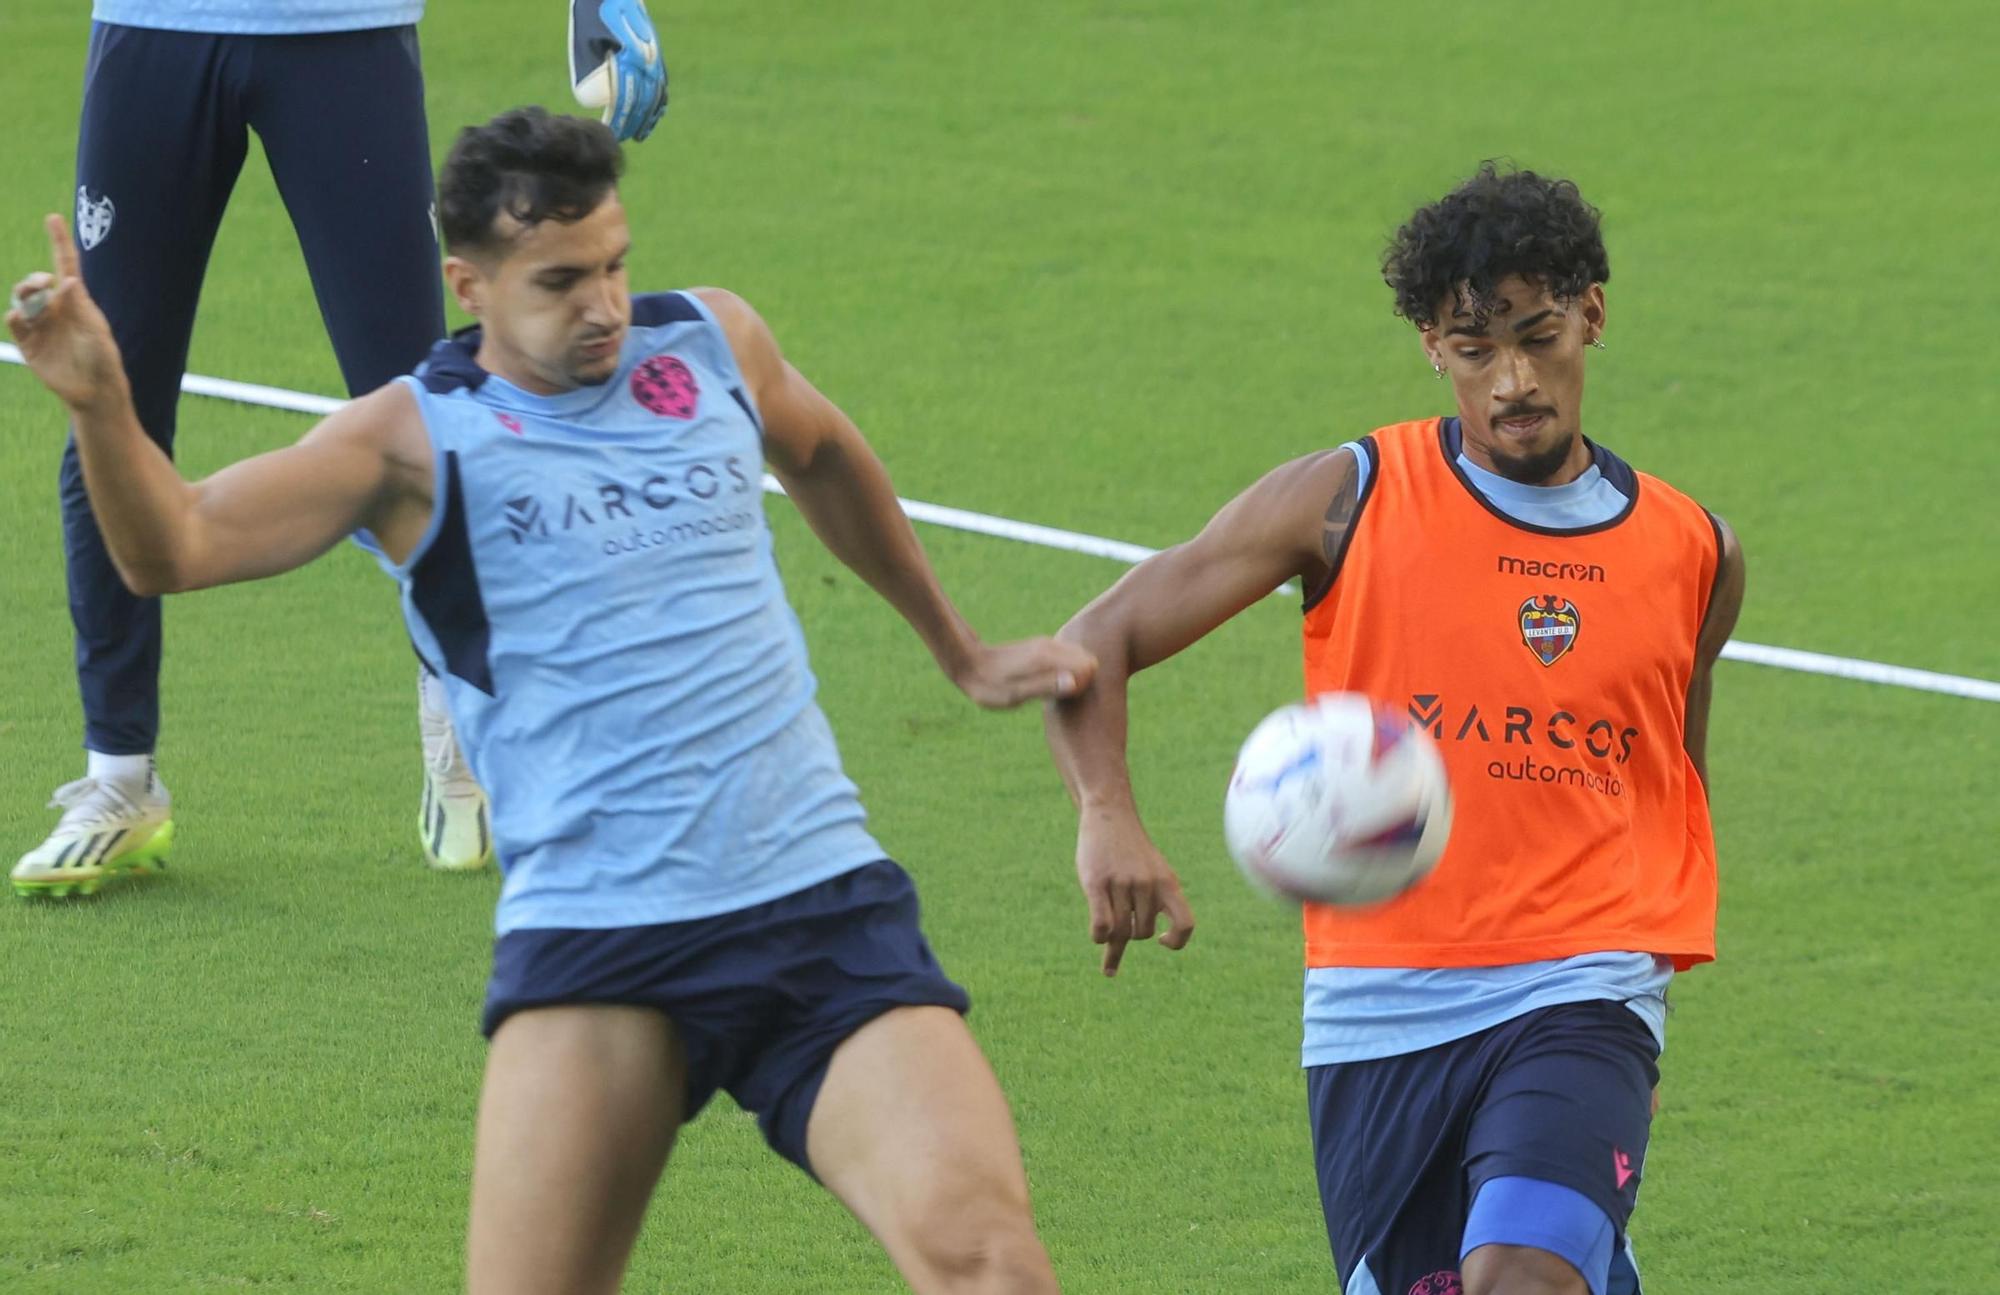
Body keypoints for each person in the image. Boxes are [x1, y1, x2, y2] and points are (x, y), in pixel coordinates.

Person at [8, 108, 1087, 1294]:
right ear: (469, 284)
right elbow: (177, 545)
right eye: (562, 280)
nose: (606, 305)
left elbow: (822, 453)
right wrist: (103, 405)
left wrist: (960, 648)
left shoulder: (714, 343)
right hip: (597, 940)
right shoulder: (409, 442)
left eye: (616, 264)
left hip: (813, 903)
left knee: (991, 1264)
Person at [1043, 164, 1746, 1295]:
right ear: (1430, 343)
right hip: (1378, 1011)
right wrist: (1105, 814)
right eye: (1474, 348)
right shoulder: (1347, 497)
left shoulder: (1691, 550)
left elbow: (1668, 781)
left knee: (1516, 1271)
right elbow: (1092, 642)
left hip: (1579, 987)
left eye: (1538, 333)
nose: (1513, 379)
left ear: (1592, 315)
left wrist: (1633, 997)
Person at [14, 0, 667, 894]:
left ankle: (462, 722)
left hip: (340, 29)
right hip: (152, 27)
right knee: (108, 395)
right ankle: (118, 779)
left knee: (419, 401)